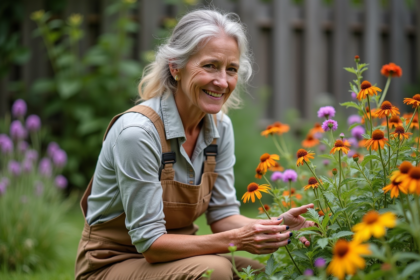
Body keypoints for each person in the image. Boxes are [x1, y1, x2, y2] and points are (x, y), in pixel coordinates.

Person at [75, 9, 315, 280]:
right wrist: (239, 239)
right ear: (175, 67)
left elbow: (223, 216)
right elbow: (151, 245)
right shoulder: (138, 133)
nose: (222, 81)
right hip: (111, 263)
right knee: (217, 272)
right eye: (210, 65)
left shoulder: (220, 128)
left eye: (231, 69)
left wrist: (280, 227)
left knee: (267, 274)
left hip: (179, 258)